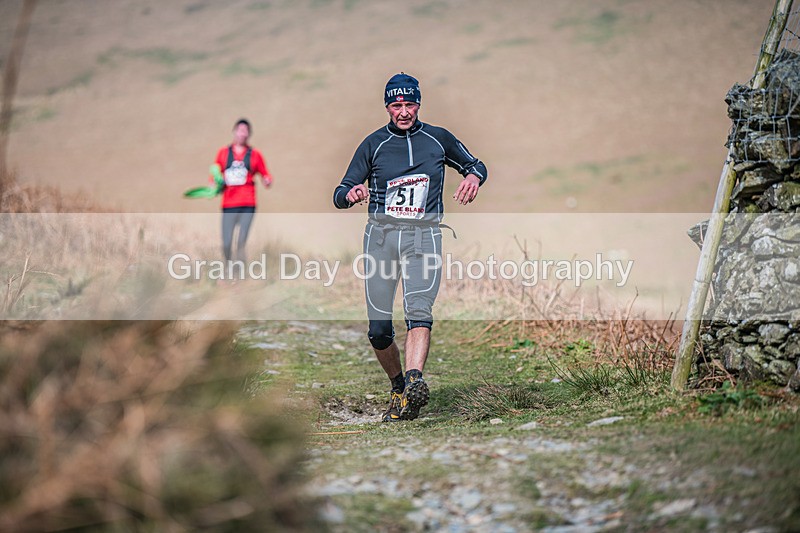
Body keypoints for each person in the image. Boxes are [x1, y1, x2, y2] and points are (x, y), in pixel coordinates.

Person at [333, 73, 488, 422]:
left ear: (419, 103)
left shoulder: (438, 138)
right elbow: (339, 193)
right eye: (396, 105)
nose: (403, 112)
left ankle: (416, 380)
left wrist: (473, 177)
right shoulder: (373, 144)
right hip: (381, 240)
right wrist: (352, 194)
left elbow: (476, 164)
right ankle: (399, 385)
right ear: (387, 106)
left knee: (419, 311)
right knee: (379, 330)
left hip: (424, 237)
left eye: (409, 104)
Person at [214, 119, 272, 275]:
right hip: (229, 204)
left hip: (248, 204)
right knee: (226, 243)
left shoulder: (255, 155)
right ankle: (228, 269)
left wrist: (267, 180)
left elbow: (265, 174)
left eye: (245, 131)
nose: (242, 133)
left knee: (240, 242)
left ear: (249, 134)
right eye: (240, 130)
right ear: (234, 132)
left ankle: (239, 275)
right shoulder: (223, 153)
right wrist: (214, 185)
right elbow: (215, 175)